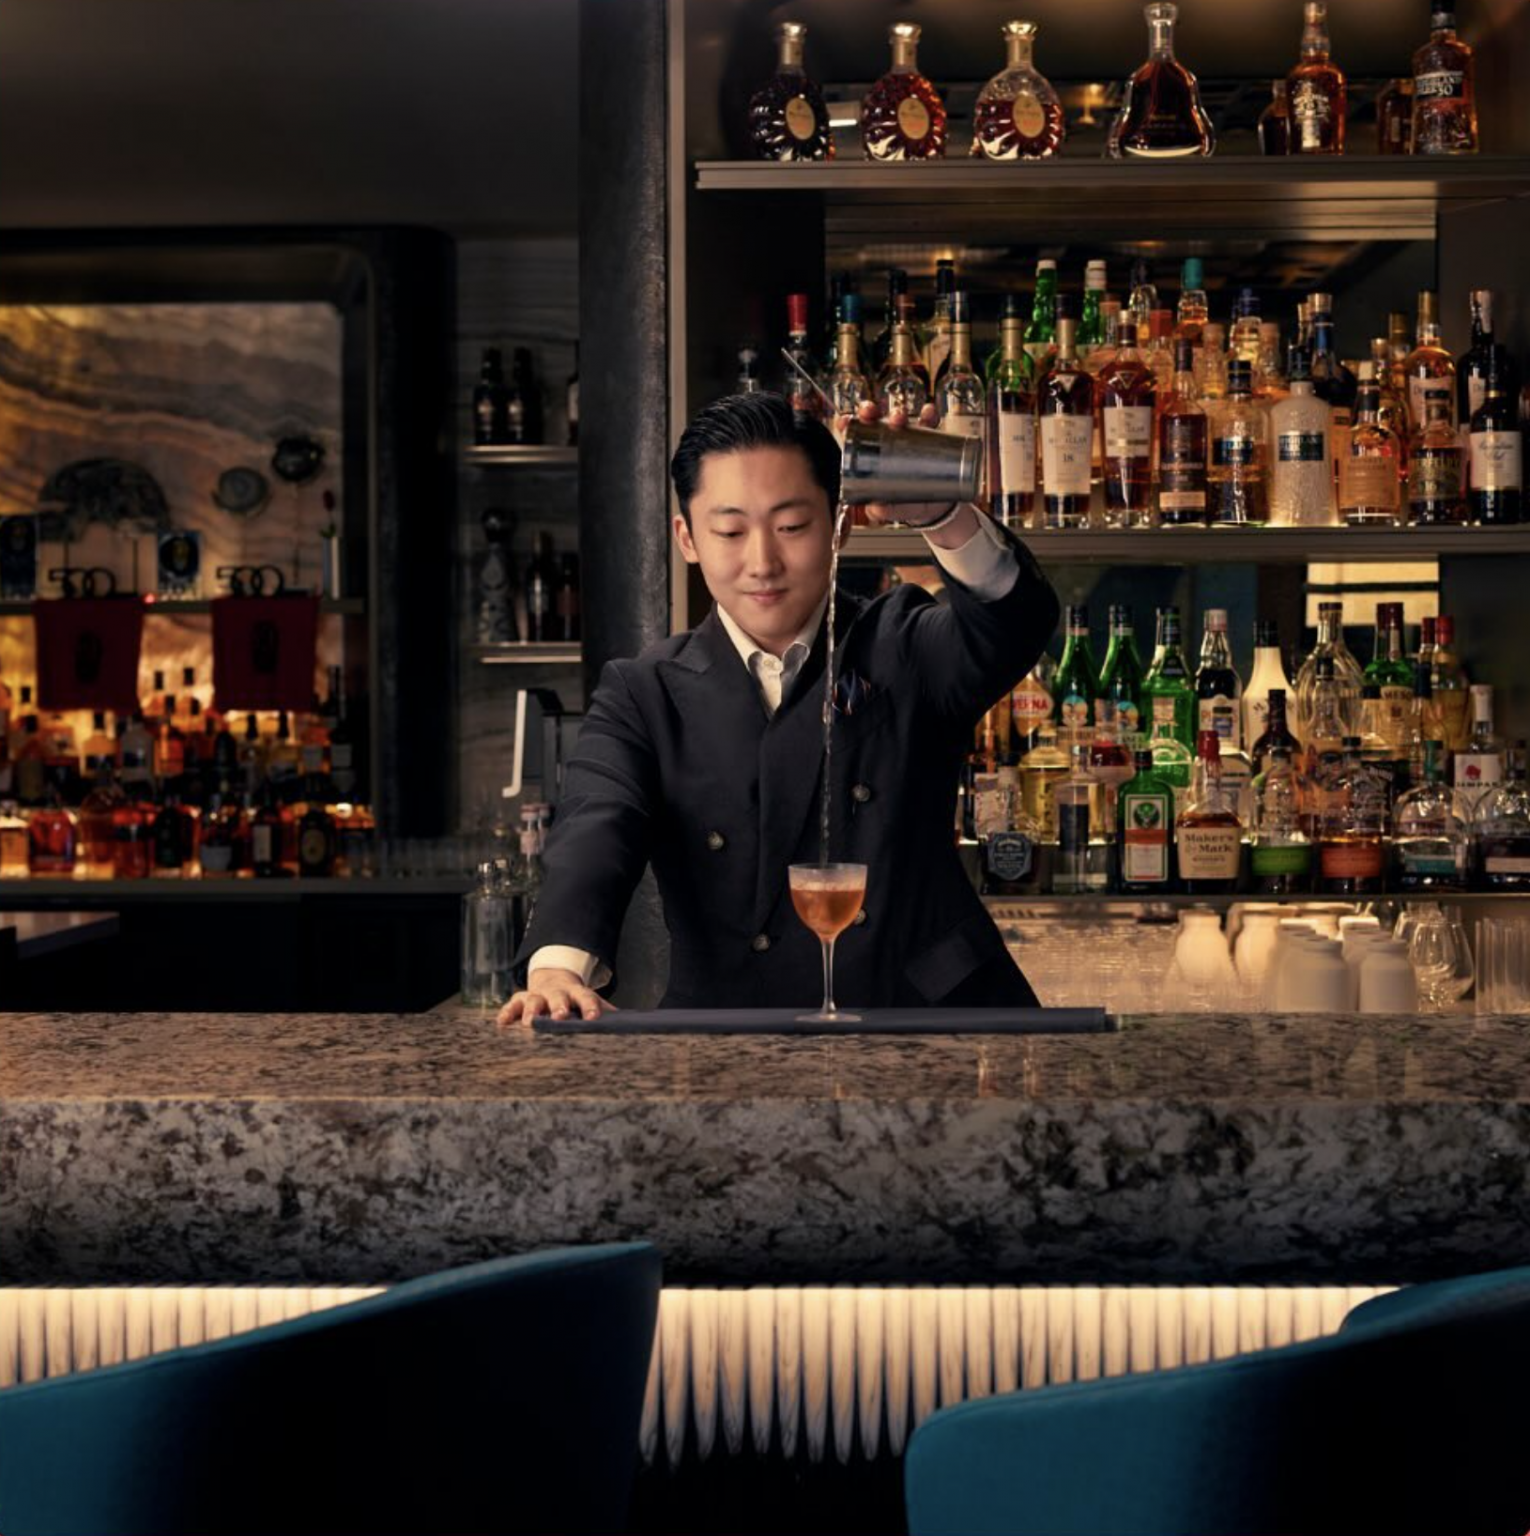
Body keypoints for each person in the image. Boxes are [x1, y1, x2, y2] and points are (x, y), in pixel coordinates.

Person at [497, 391, 1058, 1024]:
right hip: (732, 1033)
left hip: (932, 1024)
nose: (762, 563)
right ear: (687, 538)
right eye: (730, 532)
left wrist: (944, 516)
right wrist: (557, 969)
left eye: (791, 527)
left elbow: (1015, 622)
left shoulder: (903, 643)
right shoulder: (644, 692)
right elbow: (597, 826)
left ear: (839, 526)